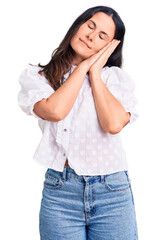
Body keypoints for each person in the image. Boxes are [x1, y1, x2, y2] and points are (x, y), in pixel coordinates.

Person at [18, 5, 139, 240]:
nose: (91, 36)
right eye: (90, 26)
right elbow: (55, 111)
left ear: (110, 46)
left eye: (102, 36)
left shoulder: (113, 79)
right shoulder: (38, 76)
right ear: (78, 25)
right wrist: (82, 66)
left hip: (112, 192)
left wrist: (94, 74)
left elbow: (113, 124)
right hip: (60, 193)